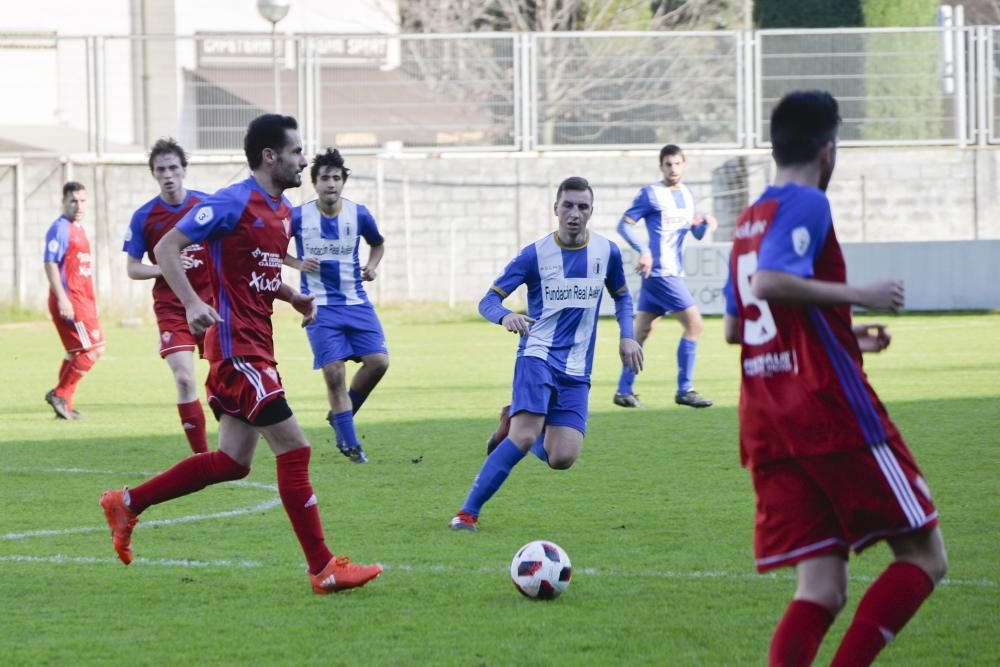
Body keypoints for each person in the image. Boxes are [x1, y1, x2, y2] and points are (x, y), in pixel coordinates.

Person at [99, 114, 382, 594]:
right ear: (270, 156)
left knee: (232, 461)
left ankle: (127, 502)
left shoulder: (280, 212)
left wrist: (292, 297)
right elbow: (168, 247)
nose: (303, 160)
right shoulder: (231, 202)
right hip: (236, 350)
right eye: (296, 152)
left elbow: (259, 270)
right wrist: (191, 302)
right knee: (296, 448)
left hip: (258, 346)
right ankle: (323, 568)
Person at [722, 91, 946, 666]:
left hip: (768, 418)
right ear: (828, 150)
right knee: (924, 556)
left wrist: (846, 337)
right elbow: (771, 283)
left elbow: (736, 327)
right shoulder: (808, 203)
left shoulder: (749, 219)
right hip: (826, 412)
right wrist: (859, 294)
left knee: (822, 588)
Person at [449, 176, 643, 532]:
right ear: (555, 208)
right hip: (536, 355)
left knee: (562, 457)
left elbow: (622, 296)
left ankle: (512, 426)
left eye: (582, 207)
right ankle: (467, 513)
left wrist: (627, 337)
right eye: (568, 205)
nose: (574, 214)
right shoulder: (534, 254)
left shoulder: (607, 252)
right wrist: (505, 315)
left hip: (577, 366)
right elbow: (487, 300)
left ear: (591, 212)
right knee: (524, 437)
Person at [285, 148, 388, 464]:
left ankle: (341, 415)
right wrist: (297, 262)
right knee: (334, 371)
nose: (330, 183)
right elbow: (272, 250)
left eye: (336, 177)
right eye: (324, 178)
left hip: (356, 303)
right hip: (319, 306)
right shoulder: (298, 216)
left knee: (379, 363)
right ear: (314, 183)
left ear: (343, 181)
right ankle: (350, 443)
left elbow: (378, 244)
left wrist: (372, 267)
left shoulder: (358, 214)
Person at [123, 138, 212, 453]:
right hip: (172, 310)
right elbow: (132, 269)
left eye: (174, 167)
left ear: (184, 170)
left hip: (210, 305)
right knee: (185, 379)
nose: (168, 174)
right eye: (161, 169)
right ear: (154, 174)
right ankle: (201, 457)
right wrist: (165, 268)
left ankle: (231, 445)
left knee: (224, 378)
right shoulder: (144, 216)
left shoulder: (207, 206)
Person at [613, 144, 717, 409]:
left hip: (665, 273)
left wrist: (706, 224)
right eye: (668, 164)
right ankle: (685, 389)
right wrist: (644, 250)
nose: (673, 169)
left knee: (643, 331)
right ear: (661, 166)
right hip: (661, 273)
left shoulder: (687, 194)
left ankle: (624, 390)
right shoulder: (651, 194)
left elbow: (696, 233)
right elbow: (623, 225)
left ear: (684, 165)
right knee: (695, 325)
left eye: (677, 163)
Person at [43, 182, 103, 419]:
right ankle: (59, 393)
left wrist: (92, 300)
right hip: (72, 301)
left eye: (82, 200)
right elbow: (50, 263)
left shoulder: (77, 228)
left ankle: (64, 405)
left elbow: (80, 270)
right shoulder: (60, 228)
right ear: (63, 202)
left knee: (74, 353)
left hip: (83, 301)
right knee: (94, 350)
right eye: (73, 201)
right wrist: (63, 299)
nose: (78, 205)